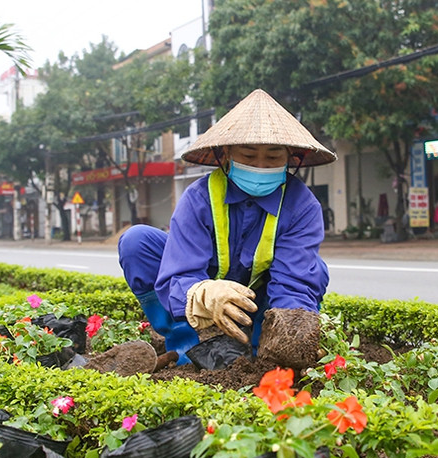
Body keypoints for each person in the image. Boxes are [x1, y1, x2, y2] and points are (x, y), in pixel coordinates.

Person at [118, 88, 336, 365]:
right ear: (227, 155)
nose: (260, 166)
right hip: (204, 295)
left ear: (290, 159)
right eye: (247, 155)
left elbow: (294, 282)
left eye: (272, 158)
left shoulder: (302, 206)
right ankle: (188, 347)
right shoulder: (199, 198)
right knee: (137, 242)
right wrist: (204, 294)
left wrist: (290, 340)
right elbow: (180, 271)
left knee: (315, 271)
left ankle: (259, 347)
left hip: (263, 297)